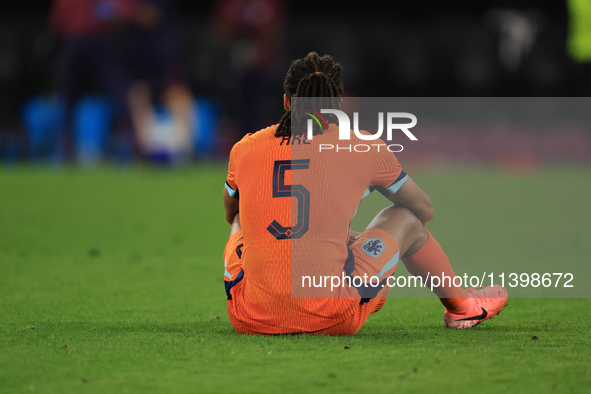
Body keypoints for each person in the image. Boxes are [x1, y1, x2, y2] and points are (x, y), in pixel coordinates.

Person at [222, 52, 508, 335]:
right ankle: (462, 308)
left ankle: (265, 300)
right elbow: (424, 210)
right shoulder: (363, 147)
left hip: (249, 317)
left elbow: (232, 213)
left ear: (286, 102)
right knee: (405, 218)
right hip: (330, 316)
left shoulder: (245, 148)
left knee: (241, 222)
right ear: (339, 104)